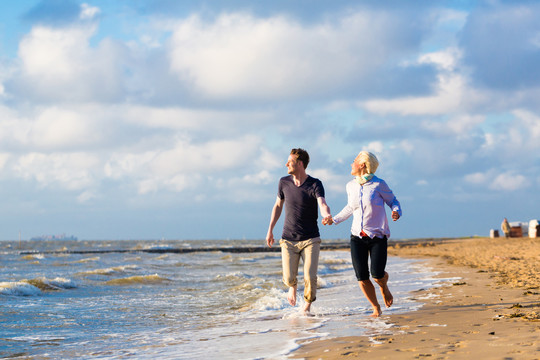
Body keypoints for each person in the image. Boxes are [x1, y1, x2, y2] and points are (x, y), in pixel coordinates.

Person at [323, 151, 401, 318]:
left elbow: (393, 201)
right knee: (362, 277)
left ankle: (384, 287)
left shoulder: (379, 184)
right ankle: (375, 307)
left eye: (354, 161)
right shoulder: (350, 186)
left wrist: (396, 211)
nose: (351, 164)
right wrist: (333, 219)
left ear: (363, 165)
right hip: (356, 237)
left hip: (377, 237)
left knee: (378, 275)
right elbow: (350, 208)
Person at [266, 148, 332, 315]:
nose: (286, 164)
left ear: (300, 164)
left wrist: (327, 215)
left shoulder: (315, 183)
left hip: (311, 239)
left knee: (310, 277)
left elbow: (322, 203)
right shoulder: (283, 182)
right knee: (288, 277)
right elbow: (277, 206)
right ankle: (292, 287)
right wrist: (270, 230)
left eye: (290, 161)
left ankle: (306, 307)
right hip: (288, 239)